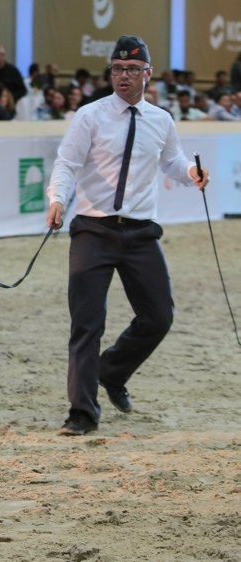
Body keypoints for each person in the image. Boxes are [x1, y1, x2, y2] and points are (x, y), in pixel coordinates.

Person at [45, 35, 209, 436]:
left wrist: (191, 174)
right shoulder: (89, 116)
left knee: (159, 316)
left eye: (132, 70)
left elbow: (170, 160)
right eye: (117, 69)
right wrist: (57, 199)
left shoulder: (161, 120)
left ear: (147, 74)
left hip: (140, 234)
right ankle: (82, 412)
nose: (123, 76)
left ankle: (111, 371)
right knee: (87, 323)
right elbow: (66, 163)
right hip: (93, 230)